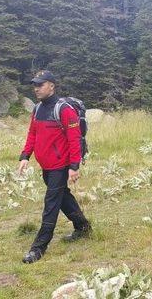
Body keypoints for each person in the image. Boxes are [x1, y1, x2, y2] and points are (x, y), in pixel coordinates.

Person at [18, 70, 91, 264]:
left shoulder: (64, 109)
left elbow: (74, 139)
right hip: (46, 166)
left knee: (51, 204)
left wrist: (74, 166)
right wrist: (25, 156)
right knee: (63, 197)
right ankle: (83, 227)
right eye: (35, 85)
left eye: (40, 84)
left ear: (51, 85)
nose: (36, 88)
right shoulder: (37, 109)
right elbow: (32, 134)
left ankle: (38, 248)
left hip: (60, 166)